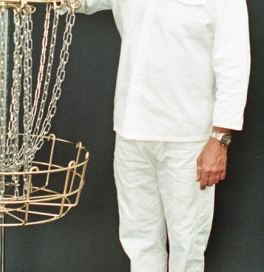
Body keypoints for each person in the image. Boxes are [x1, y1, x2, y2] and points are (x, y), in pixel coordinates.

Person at [75, 0, 251, 271]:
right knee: (139, 240)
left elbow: (234, 64)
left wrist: (220, 139)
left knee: (188, 244)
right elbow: (81, 2)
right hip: (131, 132)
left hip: (188, 138)